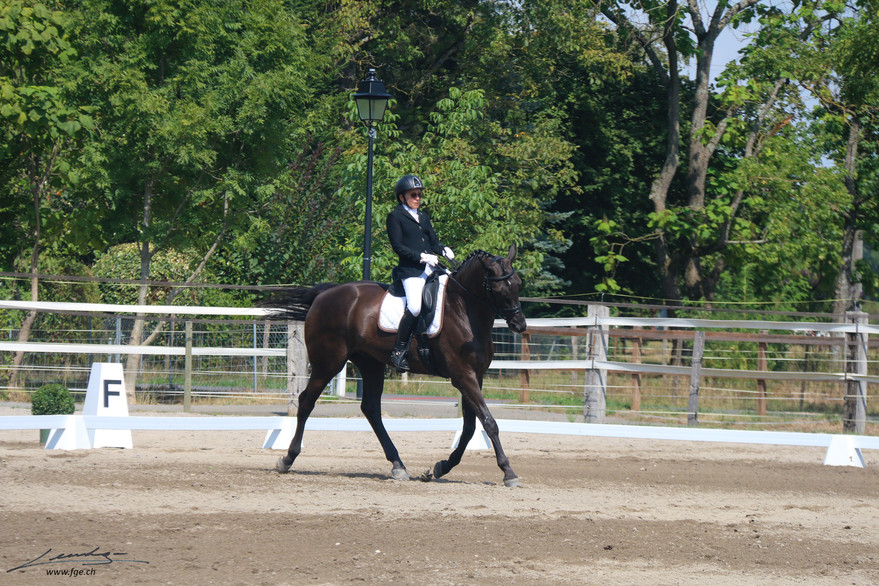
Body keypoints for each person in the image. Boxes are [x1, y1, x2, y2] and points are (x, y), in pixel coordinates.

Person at [386, 174, 454, 373]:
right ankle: (399, 351)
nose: (418, 198)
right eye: (413, 195)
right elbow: (398, 246)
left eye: (419, 194)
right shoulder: (395, 216)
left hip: (431, 269)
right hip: (411, 271)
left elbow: (433, 242)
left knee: (452, 289)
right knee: (415, 307)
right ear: (402, 197)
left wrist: (443, 250)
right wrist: (422, 257)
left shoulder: (423, 217)